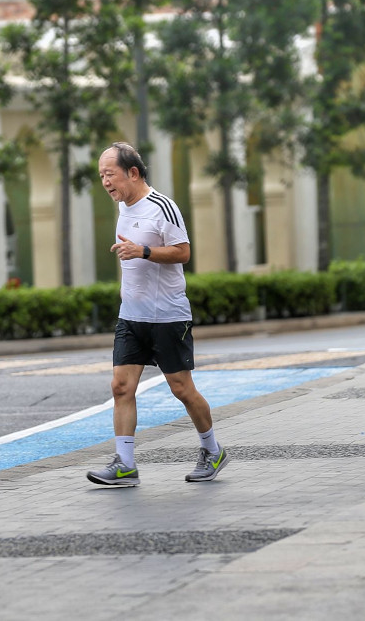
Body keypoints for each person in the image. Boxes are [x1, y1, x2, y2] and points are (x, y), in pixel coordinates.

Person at [86, 142, 229, 486]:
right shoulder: (123, 207)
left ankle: (213, 450)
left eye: (110, 174)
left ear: (132, 173)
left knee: (181, 388)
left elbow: (183, 253)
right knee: (121, 387)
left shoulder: (162, 207)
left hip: (167, 315)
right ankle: (125, 464)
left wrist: (143, 251)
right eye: (101, 175)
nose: (105, 182)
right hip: (131, 316)